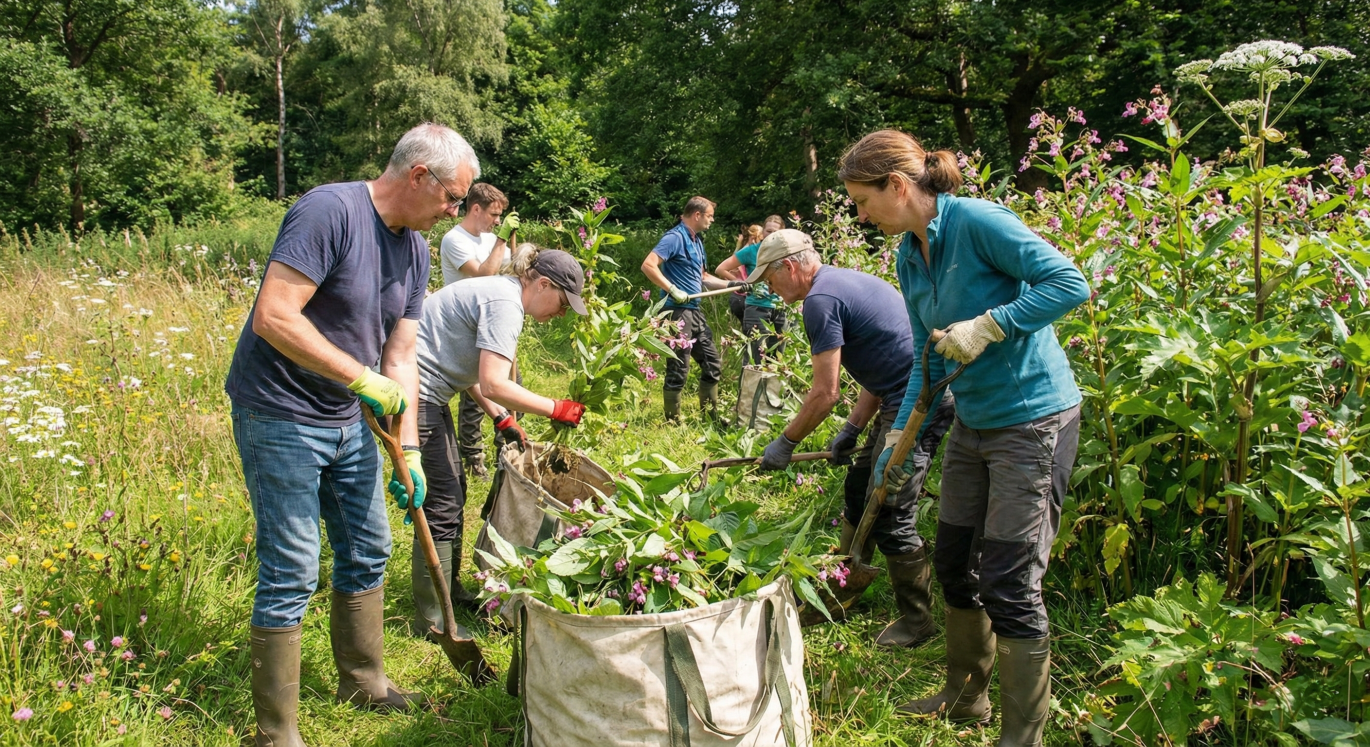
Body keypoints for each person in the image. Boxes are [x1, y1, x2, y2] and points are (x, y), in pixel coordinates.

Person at [225, 122, 478, 747]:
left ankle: (363, 682)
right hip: (280, 412)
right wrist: (358, 377)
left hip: (351, 421)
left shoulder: (415, 249)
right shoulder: (327, 212)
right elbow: (275, 315)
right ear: (418, 176)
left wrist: (411, 449)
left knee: (368, 549)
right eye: (451, 198)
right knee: (292, 568)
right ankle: (276, 733)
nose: (454, 212)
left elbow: (402, 353)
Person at [840, 129, 1090, 747]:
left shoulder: (979, 222)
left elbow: (1069, 283)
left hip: (1032, 420)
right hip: (974, 422)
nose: (861, 215)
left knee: (1008, 577)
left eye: (863, 202)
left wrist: (990, 324)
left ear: (897, 186)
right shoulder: (908, 251)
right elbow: (928, 355)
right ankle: (964, 695)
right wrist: (898, 438)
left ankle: (1021, 735)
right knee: (954, 559)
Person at [750, 229, 955, 649]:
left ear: (789, 267)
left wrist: (785, 442)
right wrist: (854, 428)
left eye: (769, 280)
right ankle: (845, 580)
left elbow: (825, 394)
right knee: (861, 484)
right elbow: (882, 364)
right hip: (901, 392)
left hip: (920, 400)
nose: (769, 289)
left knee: (891, 505)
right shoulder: (842, 282)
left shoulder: (821, 301)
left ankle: (917, 621)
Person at [404, 246, 588, 636]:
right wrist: (555, 407)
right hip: (414, 392)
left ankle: (448, 592)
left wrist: (501, 417)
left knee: (453, 490)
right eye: (562, 302)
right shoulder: (505, 304)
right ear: (541, 284)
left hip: (427, 391)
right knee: (442, 499)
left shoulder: (499, 292)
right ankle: (433, 619)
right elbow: (495, 382)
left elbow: (469, 369)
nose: (562, 312)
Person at [639, 196, 748, 422]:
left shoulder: (696, 241)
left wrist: (733, 285)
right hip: (675, 311)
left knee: (712, 363)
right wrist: (672, 289)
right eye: (709, 216)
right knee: (679, 366)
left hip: (693, 312)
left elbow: (704, 278)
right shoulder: (674, 237)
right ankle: (672, 420)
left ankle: (711, 415)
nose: (712, 220)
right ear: (697, 215)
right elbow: (648, 265)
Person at [439, 183, 521, 479]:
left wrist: (511, 245)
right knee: (475, 394)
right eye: (494, 214)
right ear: (476, 208)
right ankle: (473, 455)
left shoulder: (490, 238)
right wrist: (501, 239)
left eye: (501, 216)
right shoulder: (454, 239)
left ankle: (507, 453)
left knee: (513, 388)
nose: (498, 220)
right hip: (466, 326)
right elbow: (485, 275)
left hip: (496, 322)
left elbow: (510, 272)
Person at [717, 215, 789, 364]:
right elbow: (721, 269)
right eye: (768, 231)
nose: (772, 235)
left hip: (780, 310)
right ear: (762, 233)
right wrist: (741, 283)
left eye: (776, 232)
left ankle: (770, 388)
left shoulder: (786, 252)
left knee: (777, 361)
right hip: (757, 308)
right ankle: (749, 388)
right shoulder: (751, 251)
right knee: (755, 359)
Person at [726, 224, 764, 323]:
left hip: (741, 296)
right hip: (742, 297)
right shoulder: (747, 252)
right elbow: (727, 270)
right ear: (754, 238)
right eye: (761, 239)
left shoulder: (742, 251)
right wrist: (740, 282)